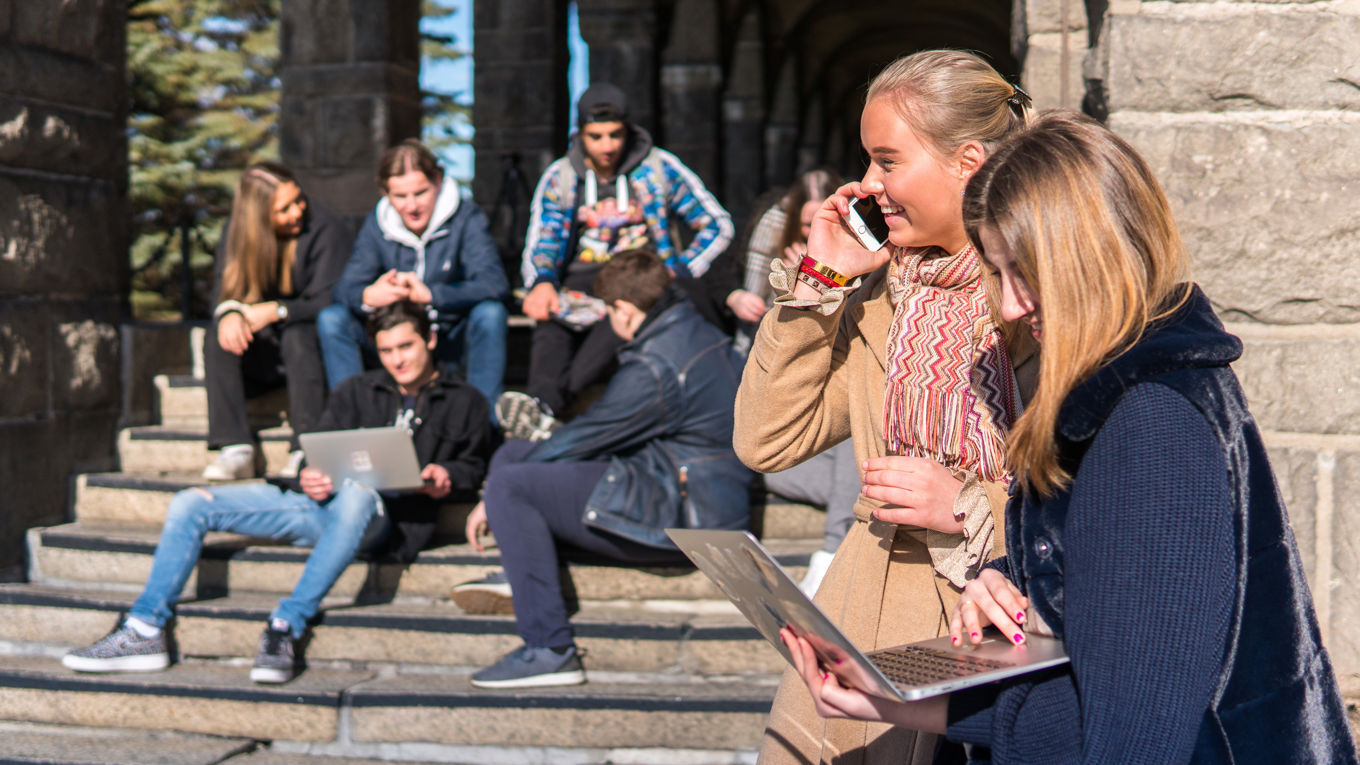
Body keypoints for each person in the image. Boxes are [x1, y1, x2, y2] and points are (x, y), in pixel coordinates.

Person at [780, 110, 1360, 764]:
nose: (1009, 307)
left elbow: (1127, 738)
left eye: (1020, 272)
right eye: (996, 274)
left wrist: (917, 701)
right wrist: (1013, 578)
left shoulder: (1149, 425)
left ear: (1086, 257)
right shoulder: (1122, 400)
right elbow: (1117, 638)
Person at [733, 50, 1038, 764]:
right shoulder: (882, 297)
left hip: (990, 621)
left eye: (887, 161)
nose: (867, 184)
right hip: (860, 614)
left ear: (967, 160)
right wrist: (819, 283)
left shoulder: (1042, 300)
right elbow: (766, 439)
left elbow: (1105, 498)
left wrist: (969, 503)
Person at [64, 301, 494, 684]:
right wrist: (311, 473)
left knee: (360, 495)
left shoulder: (467, 401)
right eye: (386, 351)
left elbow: (476, 465)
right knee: (190, 502)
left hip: (384, 522)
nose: (397, 360)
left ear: (431, 339)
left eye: (406, 347)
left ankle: (285, 626)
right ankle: (143, 629)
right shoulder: (357, 391)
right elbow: (319, 448)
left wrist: (447, 477)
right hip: (316, 507)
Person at [452, 249, 753, 689]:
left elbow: (587, 434)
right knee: (512, 457)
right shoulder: (687, 326)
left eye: (607, 311)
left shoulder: (655, 365)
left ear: (625, 311)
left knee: (510, 485)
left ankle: (550, 649)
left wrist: (489, 496)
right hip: (679, 484)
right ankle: (523, 565)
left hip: (691, 517)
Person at [500, 83, 734, 438]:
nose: (607, 146)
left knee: (621, 314)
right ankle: (540, 409)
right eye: (596, 136)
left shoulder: (659, 168)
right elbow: (543, 240)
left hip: (642, 278)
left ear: (628, 130)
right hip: (579, 284)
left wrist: (678, 269)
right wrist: (542, 281)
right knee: (549, 322)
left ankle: (549, 407)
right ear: (579, 135)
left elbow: (717, 224)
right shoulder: (561, 178)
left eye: (615, 134)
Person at [319, 139, 509, 411]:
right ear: (385, 193)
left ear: (438, 182)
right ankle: (353, 419)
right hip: (395, 343)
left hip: (448, 338)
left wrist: (432, 295)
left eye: (420, 193)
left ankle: (483, 418)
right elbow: (343, 289)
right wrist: (369, 295)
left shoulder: (466, 217)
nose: (411, 206)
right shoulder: (377, 224)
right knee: (332, 319)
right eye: (400, 196)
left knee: (490, 314)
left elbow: (495, 284)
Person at [734, 169, 854, 594]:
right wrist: (796, 287)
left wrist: (836, 277)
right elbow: (765, 351)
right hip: (786, 404)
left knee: (856, 445)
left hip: (836, 401)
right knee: (851, 468)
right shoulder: (772, 234)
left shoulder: (860, 253)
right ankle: (837, 536)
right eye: (804, 225)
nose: (810, 231)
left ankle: (829, 552)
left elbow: (849, 345)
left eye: (818, 221)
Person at [201, 162, 353, 481]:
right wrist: (230, 313)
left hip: (311, 355)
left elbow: (331, 301)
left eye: (298, 200)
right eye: (284, 209)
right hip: (262, 356)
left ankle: (304, 448)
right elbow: (222, 290)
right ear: (258, 216)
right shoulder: (236, 232)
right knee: (219, 332)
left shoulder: (326, 229)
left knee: (298, 334)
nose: (297, 211)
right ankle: (235, 446)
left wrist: (277, 311)